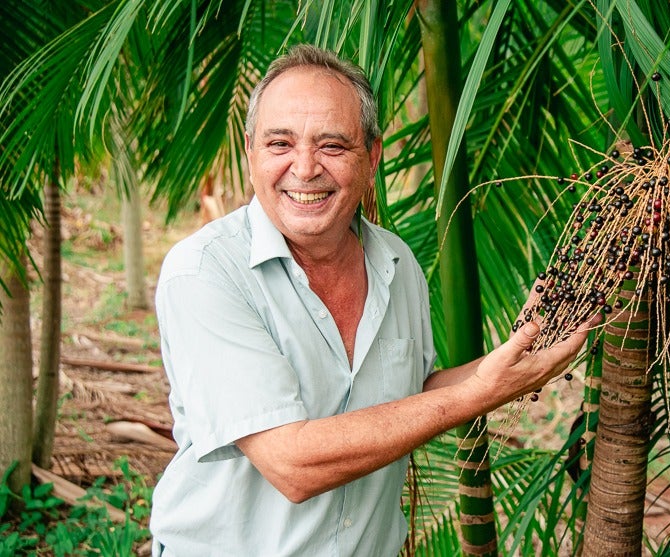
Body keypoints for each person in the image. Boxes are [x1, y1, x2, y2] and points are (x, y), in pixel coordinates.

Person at [150, 44, 596, 557]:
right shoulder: (205, 272)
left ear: (372, 156)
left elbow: (413, 394)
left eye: (332, 146)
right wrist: (479, 395)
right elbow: (291, 463)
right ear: (250, 151)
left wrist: (517, 359)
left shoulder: (396, 263)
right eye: (279, 143)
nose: (304, 168)